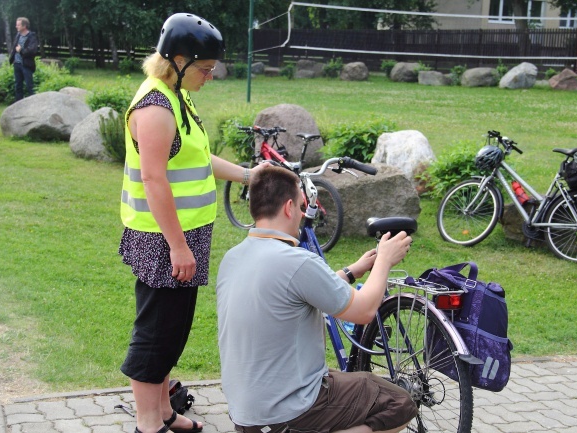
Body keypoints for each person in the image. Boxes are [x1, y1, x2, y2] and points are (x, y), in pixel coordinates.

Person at [119, 13, 266, 433]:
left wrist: (247, 174)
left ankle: (165, 410)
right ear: (178, 60)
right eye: (205, 69)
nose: (211, 76)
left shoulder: (177, 95)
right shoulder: (154, 108)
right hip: (163, 239)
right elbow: (153, 179)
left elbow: (195, 159)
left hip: (186, 234)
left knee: (173, 328)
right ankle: (149, 424)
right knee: (156, 331)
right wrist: (178, 246)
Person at [217, 166, 418, 433]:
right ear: (289, 207)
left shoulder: (233, 257)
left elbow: (293, 291)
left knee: (340, 379)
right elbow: (364, 311)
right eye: (301, 206)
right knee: (399, 403)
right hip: (288, 411)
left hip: (247, 414)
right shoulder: (296, 261)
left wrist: (351, 271)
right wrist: (384, 260)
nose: (302, 214)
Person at [9, 17, 38, 101]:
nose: (16, 26)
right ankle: (18, 105)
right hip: (17, 64)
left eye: (18, 25)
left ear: (24, 26)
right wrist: (13, 58)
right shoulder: (18, 35)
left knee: (30, 86)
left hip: (26, 65)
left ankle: (33, 104)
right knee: (18, 86)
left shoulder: (31, 36)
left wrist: (21, 51)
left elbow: (32, 50)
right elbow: (14, 47)